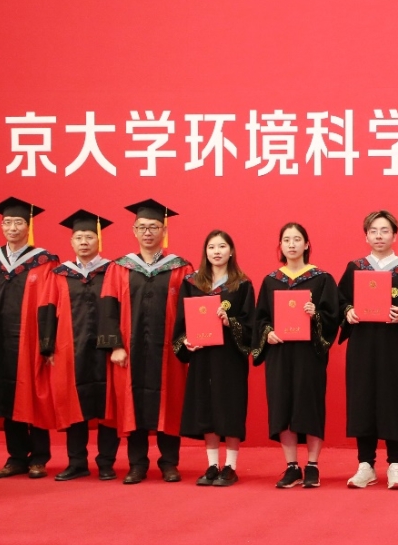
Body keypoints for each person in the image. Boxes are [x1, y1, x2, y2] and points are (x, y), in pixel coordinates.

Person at [98, 199, 194, 485]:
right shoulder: (120, 267)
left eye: (153, 227)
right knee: (134, 403)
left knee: (170, 403)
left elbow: (191, 308)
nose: (148, 232)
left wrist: (189, 341)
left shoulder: (181, 267)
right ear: (134, 231)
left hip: (169, 349)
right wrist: (115, 345)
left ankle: (169, 463)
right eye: (142, 227)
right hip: (131, 348)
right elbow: (108, 307)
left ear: (164, 230)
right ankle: (137, 464)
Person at [0, 197, 58, 479]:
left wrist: (47, 343)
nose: (12, 227)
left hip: (31, 341)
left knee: (35, 396)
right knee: (5, 393)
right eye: (7, 222)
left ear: (28, 226)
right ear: (1, 226)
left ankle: (39, 457)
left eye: (18, 222)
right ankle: (16, 457)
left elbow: (50, 303)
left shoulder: (44, 261)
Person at [338, 210, 398, 490]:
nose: (379, 236)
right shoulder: (355, 268)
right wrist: (348, 311)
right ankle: (365, 464)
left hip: (396, 346)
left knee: (395, 399)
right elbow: (340, 301)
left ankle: (395, 464)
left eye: (385, 230)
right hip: (363, 345)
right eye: (373, 231)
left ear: (394, 235)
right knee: (362, 398)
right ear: (366, 236)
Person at [252, 222, 341, 489]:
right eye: (286, 240)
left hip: (308, 353)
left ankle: (312, 465)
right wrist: (267, 333)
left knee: (309, 405)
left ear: (307, 244)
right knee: (282, 405)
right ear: (280, 246)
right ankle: (291, 466)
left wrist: (316, 315)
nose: (291, 244)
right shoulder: (271, 281)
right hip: (279, 352)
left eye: (297, 239)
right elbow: (260, 318)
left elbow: (332, 317)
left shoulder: (322, 279)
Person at [41, 209, 119, 481]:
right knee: (73, 404)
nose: (84, 242)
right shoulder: (59, 274)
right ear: (71, 242)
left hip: (105, 348)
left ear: (99, 240)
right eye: (79, 238)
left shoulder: (113, 271)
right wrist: (47, 346)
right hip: (69, 348)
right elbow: (47, 309)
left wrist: (118, 344)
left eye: (89, 237)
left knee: (108, 406)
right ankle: (77, 462)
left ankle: (106, 462)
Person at [174, 230, 255, 487]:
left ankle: (230, 466)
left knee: (229, 407)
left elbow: (250, 324)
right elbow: (181, 321)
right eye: (211, 247)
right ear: (205, 252)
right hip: (202, 354)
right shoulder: (192, 283)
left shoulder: (241, 284)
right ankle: (212, 465)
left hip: (229, 356)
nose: (217, 251)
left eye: (222, 246)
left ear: (231, 252)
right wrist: (186, 341)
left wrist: (230, 322)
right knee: (206, 406)